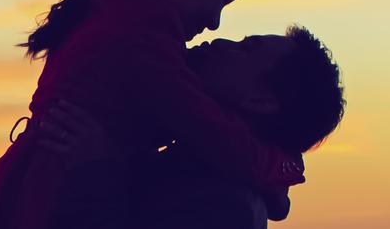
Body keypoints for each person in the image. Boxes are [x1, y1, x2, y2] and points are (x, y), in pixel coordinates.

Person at [0, 0, 304, 229]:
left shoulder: (120, 11)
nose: (215, 21)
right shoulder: (138, 39)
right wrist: (283, 169)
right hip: (46, 202)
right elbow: (217, 137)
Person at [36, 26, 346, 229]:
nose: (221, 40)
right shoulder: (201, 169)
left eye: (246, 48)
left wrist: (94, 168)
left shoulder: (227, 208)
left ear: (260, 101)